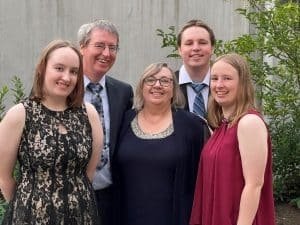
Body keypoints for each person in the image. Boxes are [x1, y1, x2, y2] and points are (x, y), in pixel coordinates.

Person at [0, 39, 103, 224]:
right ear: (43, 69)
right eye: (59, 68)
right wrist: (27, 208)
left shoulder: (89, 114)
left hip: (81, 217)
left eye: (73, 71)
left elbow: (88, 173)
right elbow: (4, 177)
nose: (67, 77)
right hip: (30, 218)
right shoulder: (20, 115)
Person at [113, 62, 207, 225]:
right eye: (151, 80)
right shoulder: (123, 120)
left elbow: (202, 177)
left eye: (165, 81)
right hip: (127, 215)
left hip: (176, 216)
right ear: (142, 86)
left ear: (174, 89)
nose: (157, 85)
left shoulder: (192, 126)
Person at [190, 53, 275, 225]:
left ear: (242, 84)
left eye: (227, 78)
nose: (219, 85)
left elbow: (254, 185)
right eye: (214, 78)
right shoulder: (223, 126)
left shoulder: (249, 123)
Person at [77, 19, 133, 225]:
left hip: (110, 197)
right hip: (70, 196)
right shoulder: (61, 88)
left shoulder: (123, 92)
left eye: (113, 47)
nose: (107, 54)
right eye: (100, 46)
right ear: (82, 47)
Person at [176, 19, 215, 119]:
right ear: (179, 50)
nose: (196, 48)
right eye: (189, 43)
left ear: (212, 48)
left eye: (202, 42)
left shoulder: (227, 85)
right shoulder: (167, 85)